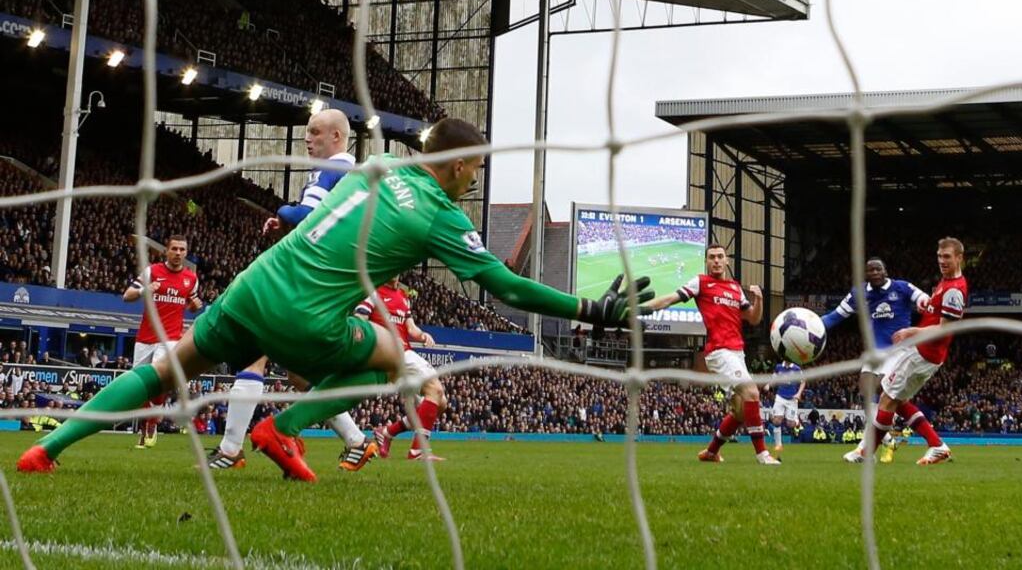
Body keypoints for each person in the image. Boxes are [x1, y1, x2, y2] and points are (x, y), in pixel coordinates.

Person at [17, 118, 652, 482]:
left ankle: (46, 450)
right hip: (305, 315)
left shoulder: (378, 166)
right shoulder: (439, 212)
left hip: (253, 286)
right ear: (461, 167)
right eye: (476, 171)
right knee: (399, 356)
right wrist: (592, 311)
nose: (475, 181)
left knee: (165, 370)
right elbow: (506, 287)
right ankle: (281, 428)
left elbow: (313, 207)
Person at [205, 109, 372, 471]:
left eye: (314, 133)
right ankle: (357, 441)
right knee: (297, 374)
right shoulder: (350, 175)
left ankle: (231, 449)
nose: (307, 140)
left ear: (337, 138)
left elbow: (303, 218)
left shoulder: (332, 170)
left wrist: (283, 212)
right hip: (328, 281)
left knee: (254, 353)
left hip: (307, 282)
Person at [645, 244, 779, 465]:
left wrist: (760, 300)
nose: (716, 261)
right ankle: (762, 454)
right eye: (712, 257)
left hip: (737, 353)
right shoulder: (700, 282)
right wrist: (641, 308)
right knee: (752, 393)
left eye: (720, 257)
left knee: (739, 412)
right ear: (707, 262)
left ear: (727, 260)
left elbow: (754, 319)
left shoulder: (735, 288)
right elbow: (670, 298)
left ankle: (710, 452)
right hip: (719, 351)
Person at [845, 238, 968, 465]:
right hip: (925, 353)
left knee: (887, 399)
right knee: (895, 398)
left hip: (922, 353)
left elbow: (945, 328)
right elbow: (937, 313)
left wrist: (910, 331)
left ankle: (866, 453)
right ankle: (936, 445)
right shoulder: (946, 282)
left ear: (959, 257)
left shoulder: (954, 290)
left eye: (947, 257)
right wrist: (928, 305)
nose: (942, 261)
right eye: (939, 256)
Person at [821, 257, 929, 463]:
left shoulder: (902, 287)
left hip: (898, 352)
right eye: (870, 270)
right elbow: (835, 316)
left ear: (885, 270)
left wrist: (924, 304)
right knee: (868, 395)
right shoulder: (859, 293)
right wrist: (811, 324)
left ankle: (865, 450)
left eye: (878, 269)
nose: (875, 272)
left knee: (885, 397)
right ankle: (885, 441)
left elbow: (923, 298)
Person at [122, 235, 201, 449]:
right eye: (174, 248)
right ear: (166, 251)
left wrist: (195, 305)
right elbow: (126, 296)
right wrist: (143, 290)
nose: (177, 253)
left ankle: (151, 424)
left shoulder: (191, 278)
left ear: (186, 253)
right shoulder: (152, 272)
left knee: (159, 380)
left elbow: (192, 305)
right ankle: (149, 422)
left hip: (171, 338)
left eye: (182, 249)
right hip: (145, 337)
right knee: (139, 385)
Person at [356, 276, 445, 462]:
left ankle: (388, 431)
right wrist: (360, 333)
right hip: (392, 354)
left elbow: (411, 329)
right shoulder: (373, 291)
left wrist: (423, 335)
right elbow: (360, 318)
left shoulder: (403, 297)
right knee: (435, 390)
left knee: (440, 403)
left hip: (406, 354)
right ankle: (417, 451)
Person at [766, 360, 804, 456]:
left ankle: (797, 421)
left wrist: (799, 393)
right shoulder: (779, 367)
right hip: (780, 396)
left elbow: (803, 382)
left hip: (792, 399)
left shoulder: (796, 368)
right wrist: (768, 385)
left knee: (790, 424)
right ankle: (778, 445)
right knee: (776, 421)